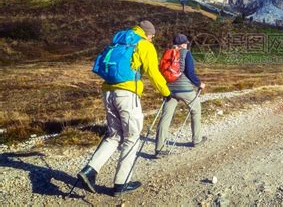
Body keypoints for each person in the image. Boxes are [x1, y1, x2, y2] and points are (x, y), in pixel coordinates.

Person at [78, 20, 170, 196]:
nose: (152, 39)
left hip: (108, 92)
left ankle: (90, 171)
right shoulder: (144, 45)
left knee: (114, 135)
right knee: (132, 136)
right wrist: (166, 92)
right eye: (152, 36)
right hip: (127, 94)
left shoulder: (120, 41)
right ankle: (121, 183)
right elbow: (153, 72)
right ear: (148, 34)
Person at [155, 33, 206, 156]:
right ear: (184, 44)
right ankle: (197, 140)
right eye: (186, 43)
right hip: (184, 89)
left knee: (166, 116)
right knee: (196, 110)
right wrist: (199, 83)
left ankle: (159, 148)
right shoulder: (186, 53)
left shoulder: (168, 53)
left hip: (169, 89)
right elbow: (189, 72)